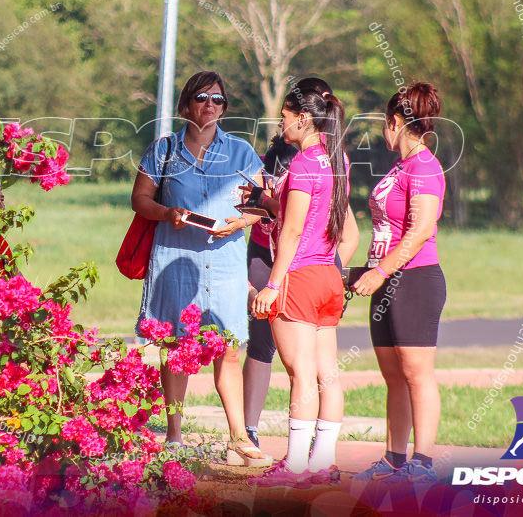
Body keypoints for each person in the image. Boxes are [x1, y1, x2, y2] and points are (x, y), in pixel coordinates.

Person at [131, 71, 271, 467]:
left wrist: (239, 223)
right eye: (202, 98)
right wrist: (166, 212)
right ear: (185, 105)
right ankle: (174, 437)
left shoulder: (243, 151)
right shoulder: (163, 150)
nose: (210, 105)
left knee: (228, 348)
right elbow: (139, 199)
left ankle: (240, 437)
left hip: (225, 262)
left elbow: (261, 207)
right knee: (176, 347)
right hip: (175, 258)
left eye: (218, 100)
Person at [243, 78, 359, 448]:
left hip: (300, 276)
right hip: (328, 274)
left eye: (286, 116)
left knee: (302, 375)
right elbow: (325, 221)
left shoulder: (305, 163)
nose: (281, 125)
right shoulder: (337, 158)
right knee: (328, 375)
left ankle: (295, 466)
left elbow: (291, 232)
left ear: (304, 118)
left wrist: (272, 285)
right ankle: (322, 464)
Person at [351, 82, 447, 484]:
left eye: (384, 125)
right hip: (386, 277)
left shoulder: (425, 166)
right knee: (393, 376)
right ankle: (393, 458)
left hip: (415, 280)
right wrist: (366, 270)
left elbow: (422, 229)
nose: (384, 133)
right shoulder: (400, 167)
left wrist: (380, 271)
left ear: (394, 122)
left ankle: (422, 462)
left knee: (416, 373)